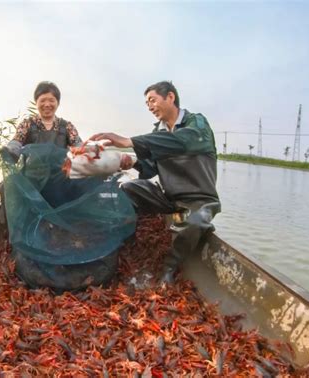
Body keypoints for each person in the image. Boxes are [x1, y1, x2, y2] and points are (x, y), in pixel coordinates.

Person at [88, 81, 221, 284]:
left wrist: (127, 141)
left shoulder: (196, 123)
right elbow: (149, 169)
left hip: (200, 198)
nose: (150, 106)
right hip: (168, 196)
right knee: (127, 189)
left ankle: (169, 268)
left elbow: (184, 141)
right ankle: (128, 246)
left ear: (170, 97)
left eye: (152, 100)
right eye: (147, 103)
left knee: (195, 222)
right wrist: (129, 162)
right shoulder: (156, 133)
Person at [0, 81, 82, 213]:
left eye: (51, 100)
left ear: (57, 103)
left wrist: (88, 153)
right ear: (36, 102)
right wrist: (11, 151)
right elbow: (17, 141)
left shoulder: (67, 126)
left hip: (59, 179)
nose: (47, 104)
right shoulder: (27, 124)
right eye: (42, 100)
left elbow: (78, 145)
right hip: (33, 179)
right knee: (4, 187)